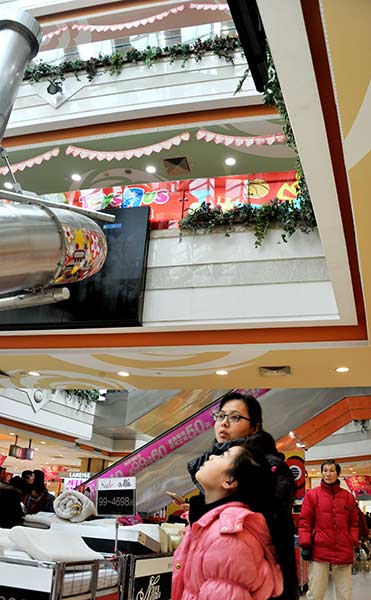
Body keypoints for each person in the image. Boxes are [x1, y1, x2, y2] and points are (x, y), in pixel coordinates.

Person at [187, 391, 298, 600]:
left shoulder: (268, 467)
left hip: (257, 581)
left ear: (254, 427)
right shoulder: (216, 464)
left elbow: (267, 533)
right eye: (220, 416)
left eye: (235, 417)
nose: (224, 423)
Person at [172, 444, 283, 600]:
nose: (211, 457)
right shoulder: (208, 524)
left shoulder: (227, 538)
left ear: (229, 481)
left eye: (223, 456)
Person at [299, 460, 359, 600]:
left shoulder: (348, 497)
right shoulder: (312, 495)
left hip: (343, 549)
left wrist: (353, 541)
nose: (328, 473)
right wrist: (305, 544)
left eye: (331, 470)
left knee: (345, 594)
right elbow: (305, 522)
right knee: (316, 593)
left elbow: (354, 523)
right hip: (319, 550)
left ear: (338, 473)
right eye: (325, 470)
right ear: (321, 473)